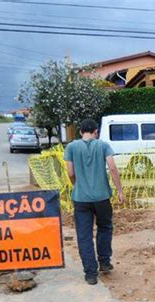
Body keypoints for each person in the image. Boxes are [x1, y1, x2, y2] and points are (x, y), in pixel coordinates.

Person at [64, 118, 124, 285]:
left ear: (80, 131)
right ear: (96, 132)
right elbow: (112, 167)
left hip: (81, 199)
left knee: (84, 235)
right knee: (105, 227)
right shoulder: (103, 145)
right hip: (102, 197)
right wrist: (119, 190)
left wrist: (77, 185)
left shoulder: (71, 147)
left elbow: (70, 172)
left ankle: (90, 273)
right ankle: (104, 262)